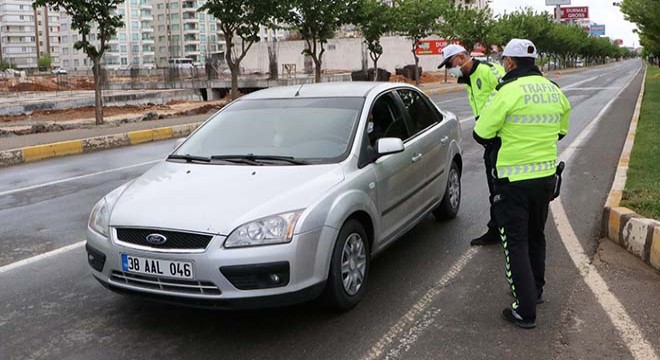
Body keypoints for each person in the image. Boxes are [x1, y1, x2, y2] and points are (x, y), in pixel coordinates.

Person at [473, 39, 571, 329]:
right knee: (536, 236)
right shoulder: (554, 90)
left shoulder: (506, 91)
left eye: (504, 60)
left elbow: (481, 133)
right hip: (545, 178)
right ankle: (535, 292)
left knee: (514, 243)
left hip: (513, 181)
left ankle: (524, 310)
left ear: (510, 63)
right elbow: (561, 131)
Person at [437, 44, 506, 246]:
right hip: (490, 138)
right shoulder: (470, 78)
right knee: (495, 187)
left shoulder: (487, 72)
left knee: (501, 187)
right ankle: (498, 228)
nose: (450, 69)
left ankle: (503, 230)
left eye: (450, 64)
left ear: (460, 58)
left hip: (501, 138)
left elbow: (506, 98)